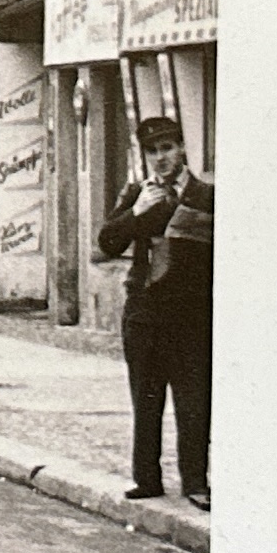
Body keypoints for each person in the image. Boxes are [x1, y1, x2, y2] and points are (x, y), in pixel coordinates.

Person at [96, 117, 214, 507]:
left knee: (193, 401)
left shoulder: (205, 195)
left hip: (192, 314)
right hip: (145, 314)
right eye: (152, 151)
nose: (160, 158)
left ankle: (195, 482)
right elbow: (105, 245)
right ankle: (147, 478)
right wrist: (135, 213)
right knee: (146, 401)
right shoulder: (137, 193)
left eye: (166, 149)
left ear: (182, 149)